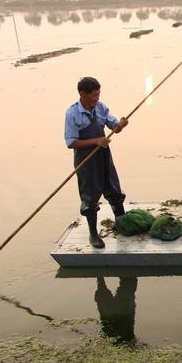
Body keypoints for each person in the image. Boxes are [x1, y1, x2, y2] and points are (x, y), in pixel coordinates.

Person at [64, 77, 128, 248]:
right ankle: (93, 234)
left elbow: (113, 126)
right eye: (94, 95)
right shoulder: (73, 114)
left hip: (103, 155)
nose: (97, 98)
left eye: (99, 94)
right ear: (82, 94)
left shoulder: (100, 107)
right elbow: (71, 142)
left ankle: (122, 225)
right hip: (86, 159)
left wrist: (120, 125)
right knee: (90, 196)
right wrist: (95, 141)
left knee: (113, 188)